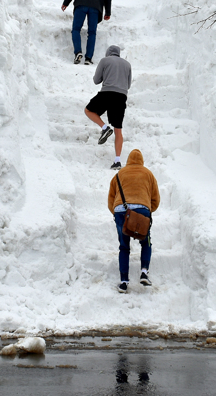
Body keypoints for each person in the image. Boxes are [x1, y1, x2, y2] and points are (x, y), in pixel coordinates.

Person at [107, 149, 159, 292]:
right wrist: (147, 211)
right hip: (142, 210)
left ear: (128, 160)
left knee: (124, 247)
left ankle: (124, 282)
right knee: (146, 241)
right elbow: (156, 199)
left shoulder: (119, 174)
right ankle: (144, 272)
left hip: (121, 210)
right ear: (142, 161)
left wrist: (117, 213)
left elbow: (111, 198)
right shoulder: (148, 174)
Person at [85, 45, 131, 168]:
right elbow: (128, 84)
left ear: (108, 53)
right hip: (121, 97)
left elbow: (96, 80)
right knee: (118, 129)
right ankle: (117, 161)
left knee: (88, 110)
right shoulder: (127, 64)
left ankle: (104, 128)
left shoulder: (105, 61)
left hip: (107, 93)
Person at [61, 0, 111, 65]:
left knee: (76, 29)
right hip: (95, 8)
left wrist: (66, 3)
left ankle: (78, 52)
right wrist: (108, 12)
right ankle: (88, 58)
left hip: (81, 5)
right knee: (92, 33)